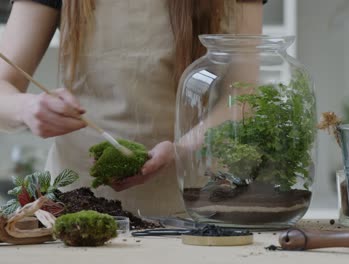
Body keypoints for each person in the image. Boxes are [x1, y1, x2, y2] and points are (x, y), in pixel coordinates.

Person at [0, 0, 264, 216]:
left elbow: (244, 97)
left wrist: (182, 150)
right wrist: (27, 108)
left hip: (194, 210)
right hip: (76, 208)